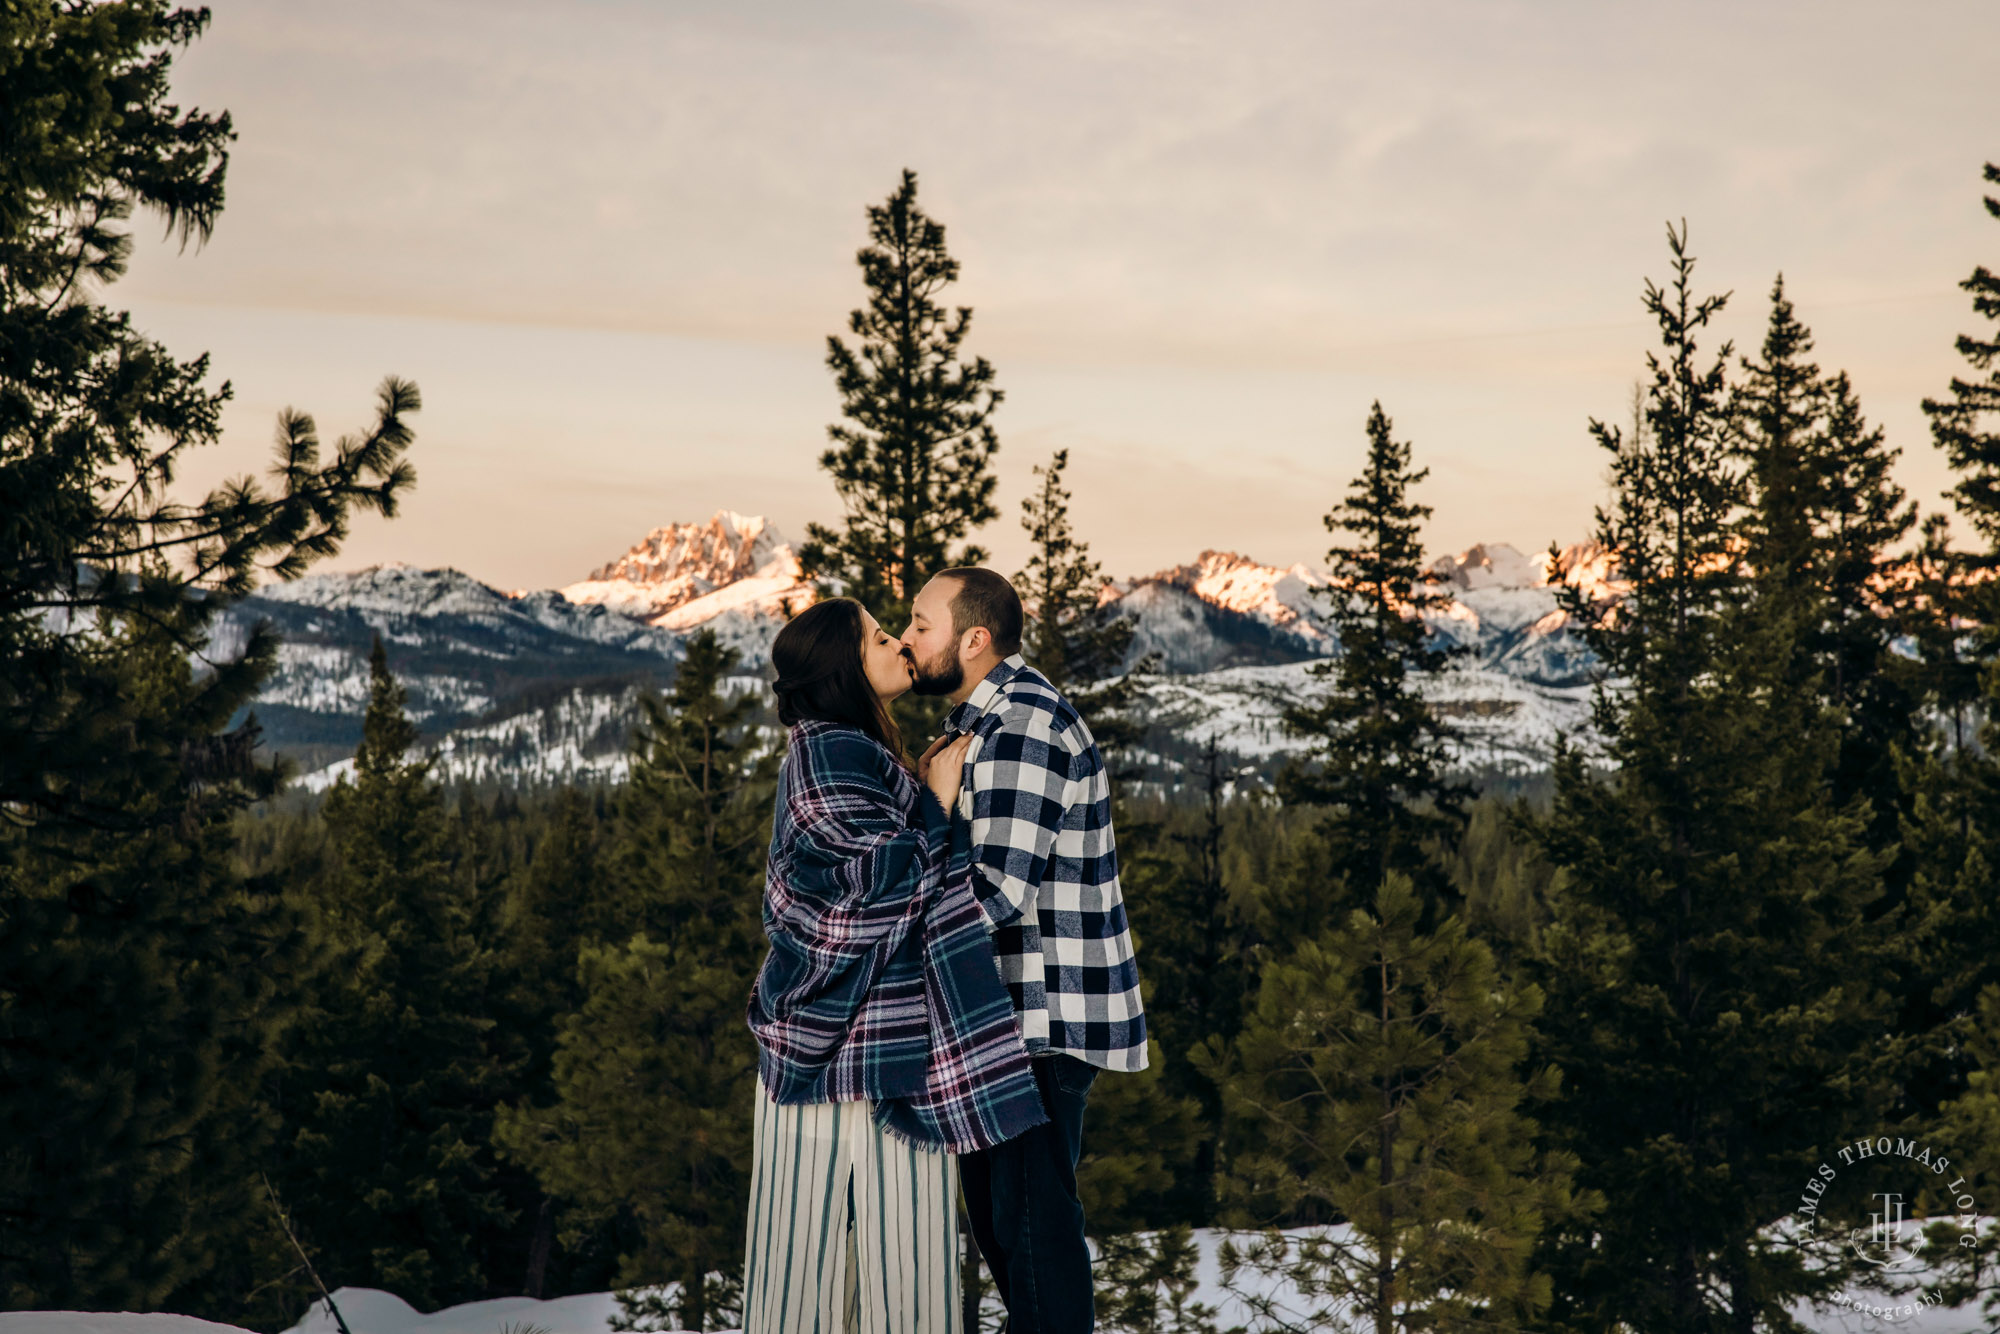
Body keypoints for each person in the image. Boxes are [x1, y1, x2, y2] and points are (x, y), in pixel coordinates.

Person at [743, 596, 1047, 1334]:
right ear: (846, 668)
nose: (900, 646)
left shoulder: (852, 748)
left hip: (859, 1047)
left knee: (819, 1269)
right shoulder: (831, 753)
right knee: (881, 1277)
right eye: (882, 638)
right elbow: (874, 890)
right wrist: (939, 804)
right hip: (853, 1055)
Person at [900, 568, 1148, 1334]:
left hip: (1037, 1021)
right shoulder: (990, 720)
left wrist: (885, 941)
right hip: (1009, 1020)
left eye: (919, 624)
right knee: (1012, 1232)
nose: (908, 640)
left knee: (1033, 1235)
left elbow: (994, 892)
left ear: (973, 639)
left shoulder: (1020, 726)